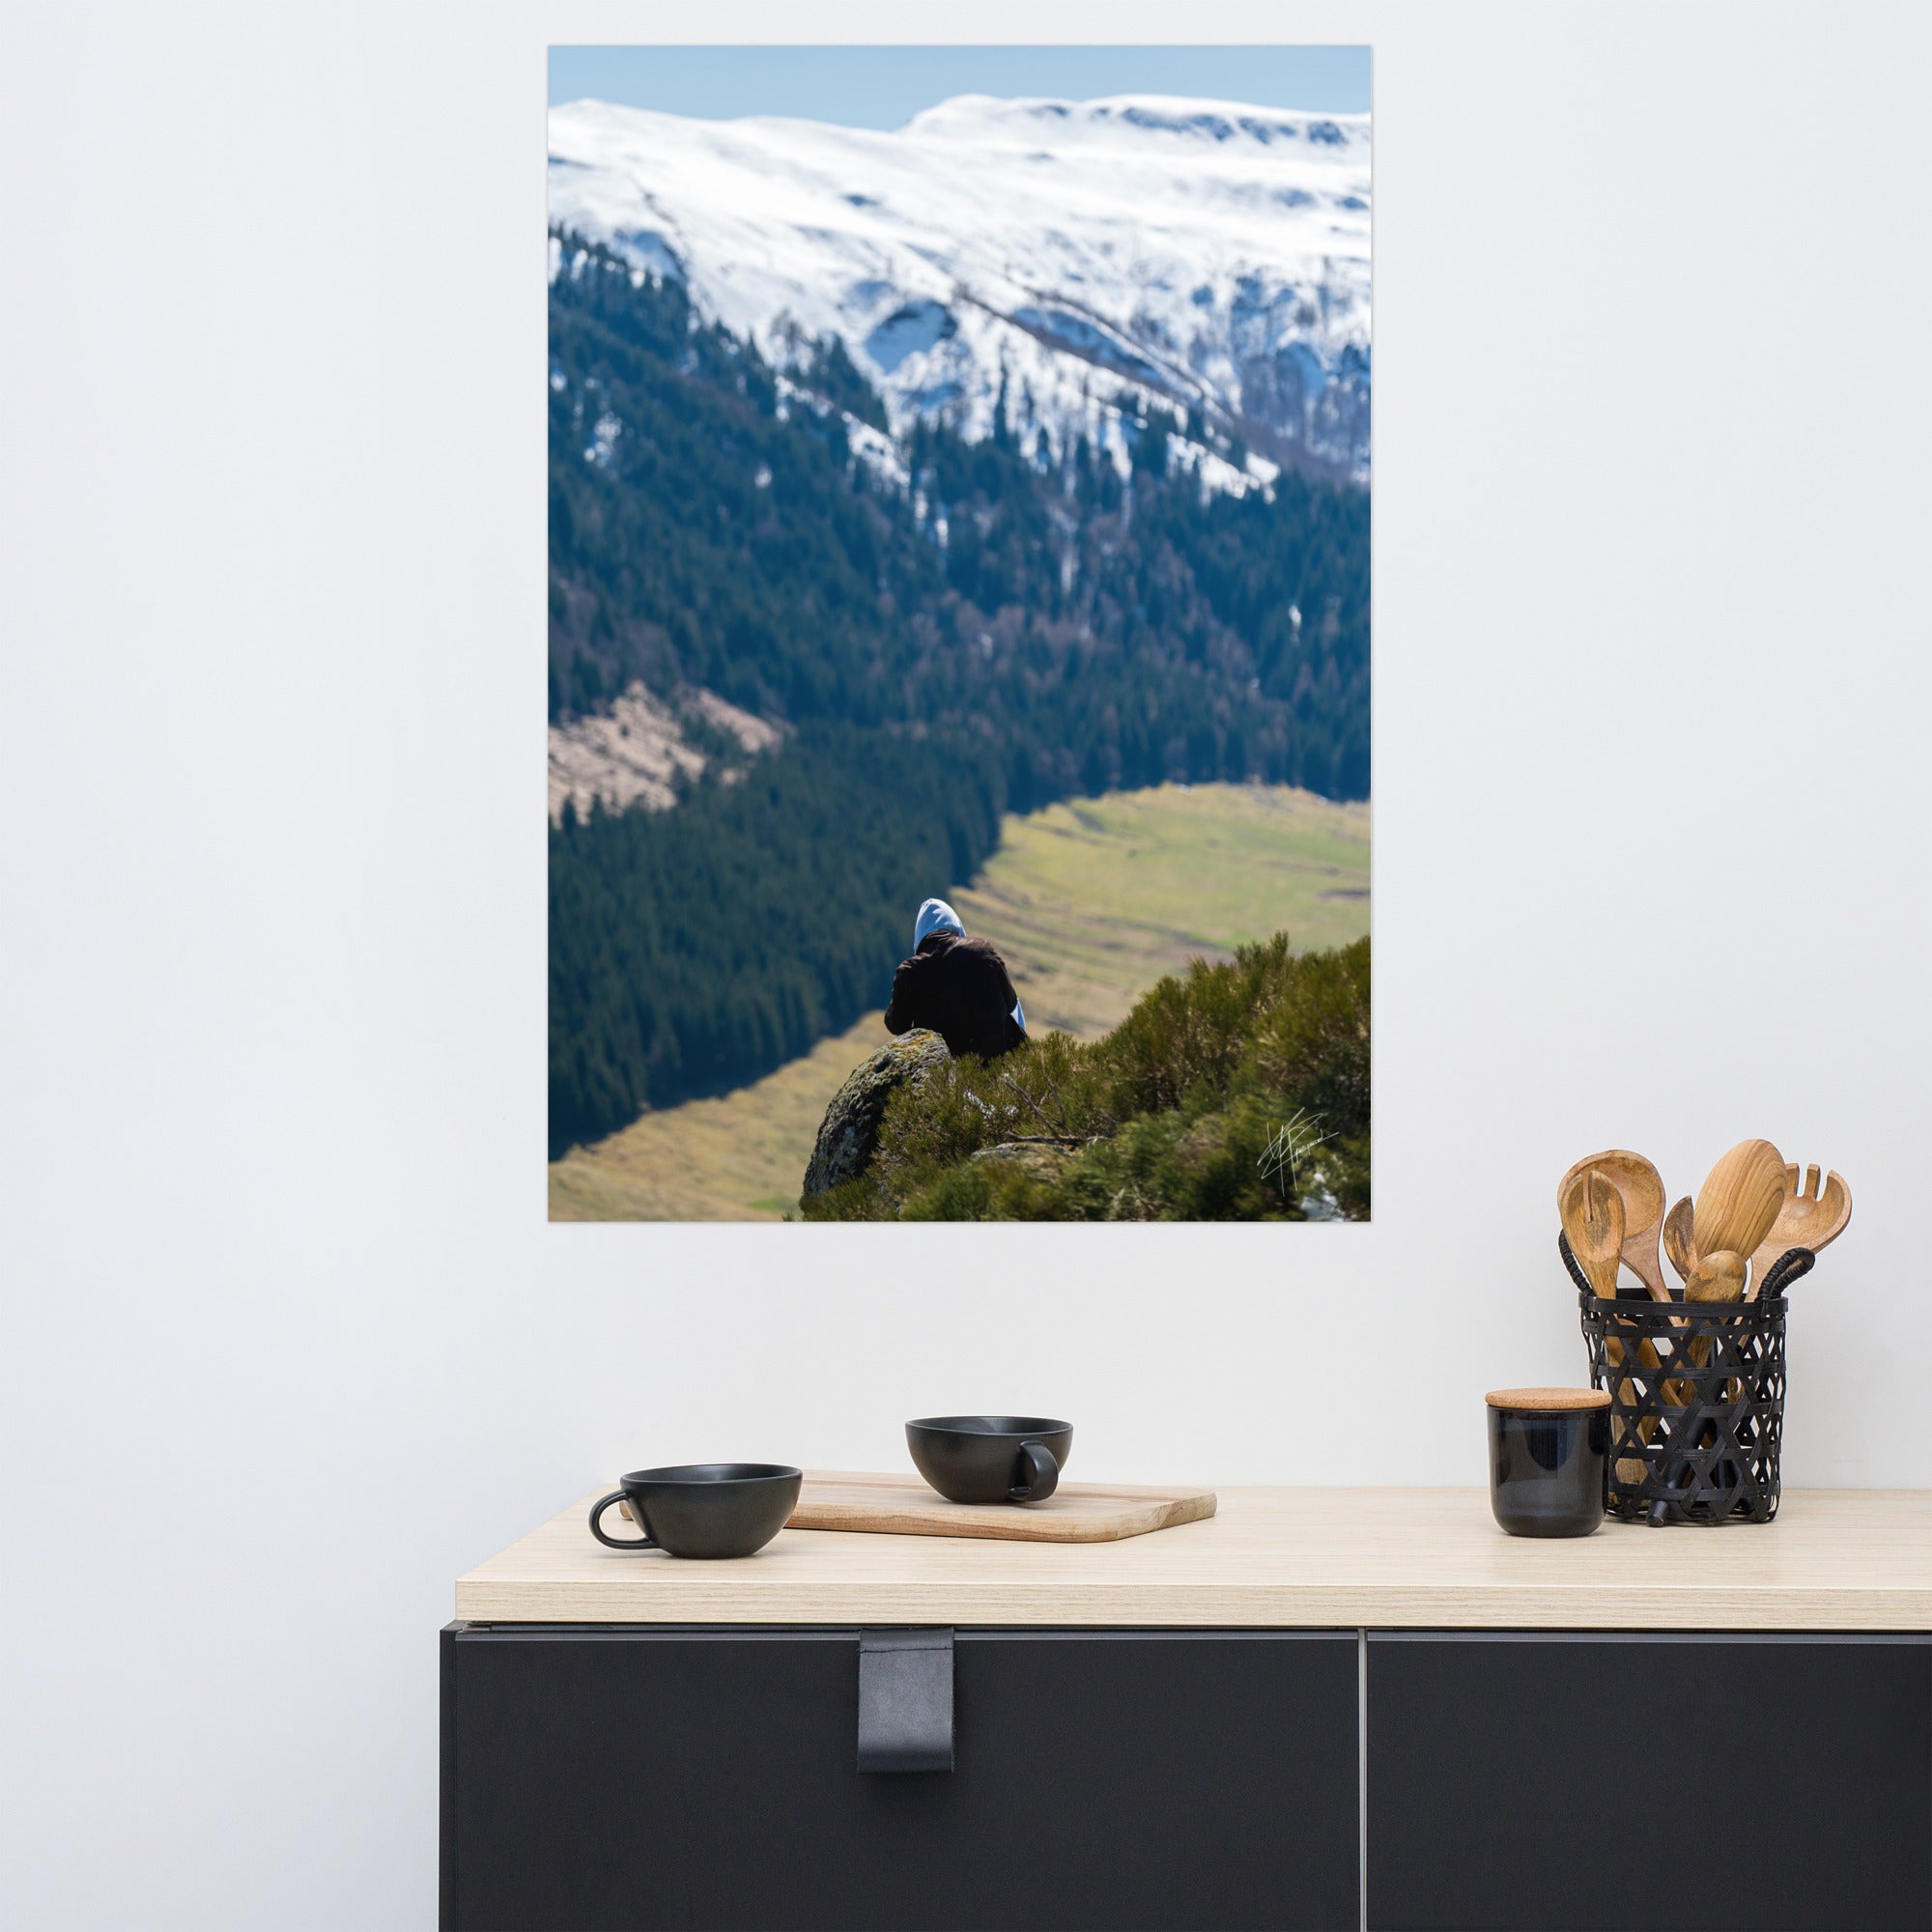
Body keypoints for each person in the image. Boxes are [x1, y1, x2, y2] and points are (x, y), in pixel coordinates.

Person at [883, 897, 1028, 1061]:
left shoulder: (910, 971)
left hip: (943, 1073)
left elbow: (896, 1025)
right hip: (995, 1064)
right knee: (1014, 1008)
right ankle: (1024, 1065)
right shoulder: (983, 950)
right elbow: (1011, 1004)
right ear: (955, 926)